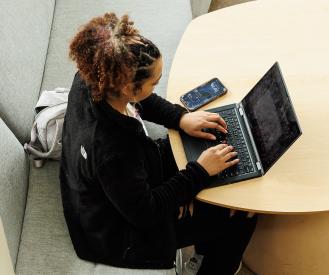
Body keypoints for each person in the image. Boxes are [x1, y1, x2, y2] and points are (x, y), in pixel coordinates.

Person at [59, 13, 257, 274]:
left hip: (119, 186)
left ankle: (203, 244)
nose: (155, 87)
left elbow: (142, 100)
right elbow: (146, 213)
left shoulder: (95, 78)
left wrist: (180, 118)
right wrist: (198, 173)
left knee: (199, 154)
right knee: (239, 215)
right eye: (154, 82)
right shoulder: (114, 149)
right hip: (118, 234)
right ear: (129, 88)